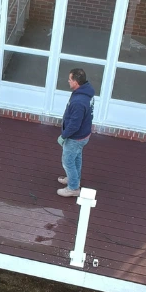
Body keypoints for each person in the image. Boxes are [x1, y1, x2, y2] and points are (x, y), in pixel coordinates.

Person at [57, 68, 94, 197]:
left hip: (75, 138)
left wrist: (63, 136)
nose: (68, 81)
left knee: (68, 161)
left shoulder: (78, 101)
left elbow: (74, 125)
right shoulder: (86, 92)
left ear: (76, 82)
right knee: (76, 158)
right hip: (84, 135)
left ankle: (73, 188)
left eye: (70, 79)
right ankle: (74, 180)